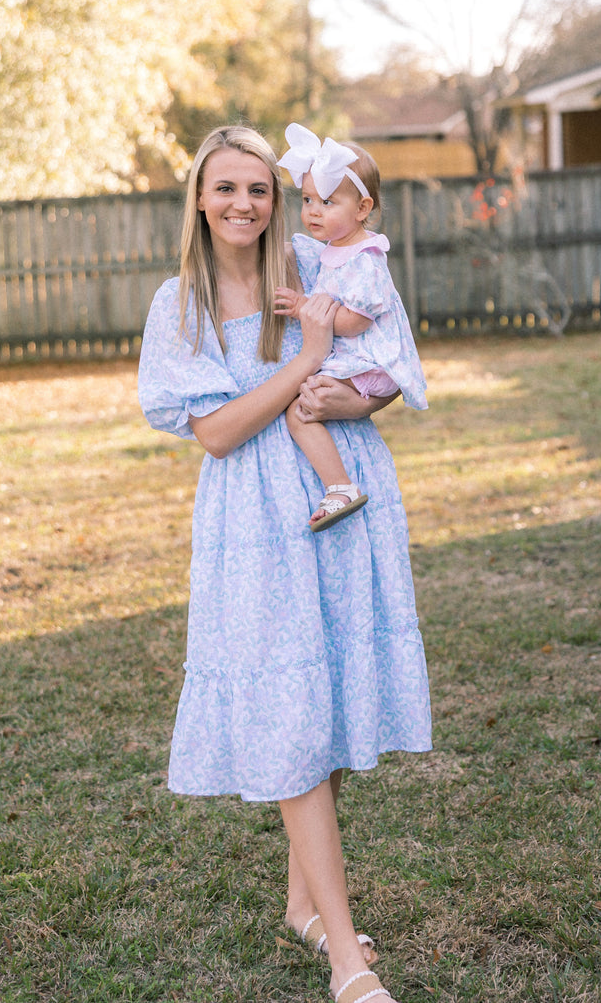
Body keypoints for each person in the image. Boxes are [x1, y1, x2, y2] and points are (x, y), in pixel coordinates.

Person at [137, 125, 431, 1003]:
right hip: (253, 521)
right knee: (293, 706)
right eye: (225, 188)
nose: (244, 204)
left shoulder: (316, 259)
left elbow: (376, 358)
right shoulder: (177, 306)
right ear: (199, 196)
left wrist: (348, 393)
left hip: (337, 490)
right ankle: (348, 955)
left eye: (259, 188)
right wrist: (304, 360)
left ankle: (304, 904)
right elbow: (218, 432)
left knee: (331, 689)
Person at [274, 123, 428, 531]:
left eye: (327, 201)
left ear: (362, 208)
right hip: (360, 363)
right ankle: (338, 483)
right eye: (307, 199)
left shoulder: (365, 257)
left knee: (300, 413)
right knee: (301, 407)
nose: (313, 211)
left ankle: (339, 487)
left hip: (370, 363)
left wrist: (305, 308)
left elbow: (357, 321)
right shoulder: (335, 252)